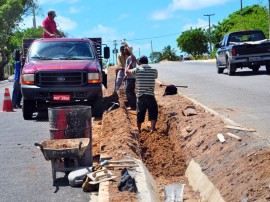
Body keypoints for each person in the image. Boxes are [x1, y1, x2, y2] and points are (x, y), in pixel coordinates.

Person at [126, 55, 158, 133]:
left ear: (139, 62)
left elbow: (127, 72)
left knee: (140, 112)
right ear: (147, 62)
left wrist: (131, 62)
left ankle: (139, 129)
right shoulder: (154, 70)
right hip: (150, 95)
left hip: (140, 96)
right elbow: (155, 77)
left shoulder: (137, 70)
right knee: (153, 110)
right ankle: (152, 128)